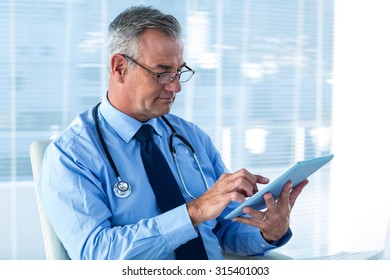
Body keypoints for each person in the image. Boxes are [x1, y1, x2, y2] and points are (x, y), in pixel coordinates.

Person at [37, 5, 308, 260]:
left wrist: (268, 232)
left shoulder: (192, 138)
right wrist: (194, 211)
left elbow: (222, 230)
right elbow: (98, 255)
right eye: (163, 73)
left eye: (179, 72)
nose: (176, 87)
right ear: (119, 67)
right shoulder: (70, 156)